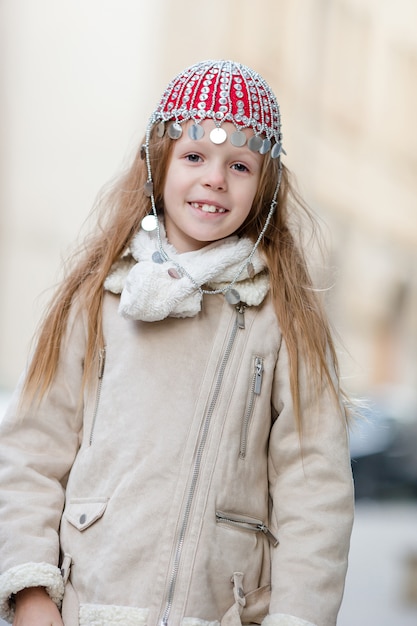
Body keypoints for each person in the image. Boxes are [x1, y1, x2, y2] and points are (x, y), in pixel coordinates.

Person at [0, 60, 354, 626]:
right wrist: (31, 591)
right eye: (194, 156)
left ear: (264, 186)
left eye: (239, 164)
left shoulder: (281, 318)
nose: (214, 178)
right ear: (156, 164)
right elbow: (29, 454)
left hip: (222, 612)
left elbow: (315, 490)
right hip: (92, 603)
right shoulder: (97, 299)